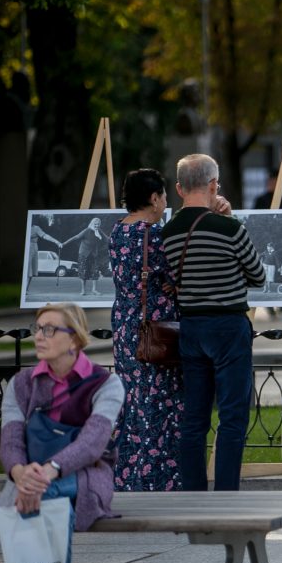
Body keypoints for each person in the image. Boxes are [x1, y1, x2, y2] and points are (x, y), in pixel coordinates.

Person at [162, 153, 265, 492]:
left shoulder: (169, 232)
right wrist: (230, 217)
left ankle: (193, 494)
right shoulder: (230, 228)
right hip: (228, 327)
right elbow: (258, 276)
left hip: (191, 328)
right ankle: (225, 494)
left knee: (195, 418)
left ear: (178, 188)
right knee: (232, 417)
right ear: (213, 185)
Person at [0, 303, 125, 563]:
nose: (39, 336)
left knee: (45, 491)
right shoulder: (21, 384)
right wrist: (20, 472)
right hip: (32, 477)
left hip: (85, 476)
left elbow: (92, 444)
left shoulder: (105, 384)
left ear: (75, 339)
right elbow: (10, 441)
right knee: (54, 505)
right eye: (38, 328)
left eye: (50, 329)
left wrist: (48, 472)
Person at [109, 168, 183, 491]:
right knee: (160, 405)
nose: (166, 203)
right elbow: (176, 277)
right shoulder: (153, 235)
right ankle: (158, 481)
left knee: (132, 403)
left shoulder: (116, 232)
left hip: (125, 326)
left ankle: (125, 477)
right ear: (154, 198)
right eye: (164, 196)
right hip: (154, 332)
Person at [63, 217, 109, 295]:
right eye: (95, 224)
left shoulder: (99, 232)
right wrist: (64, 244)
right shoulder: (87, 231)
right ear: (92, 223)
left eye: (98, 224)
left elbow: (107, 239)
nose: (97, 226)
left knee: (95, 271)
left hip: (94, 254)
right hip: (84, 254)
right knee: (83, 272)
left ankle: (94, 290)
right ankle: (83, 290)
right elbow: (76, 237)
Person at [27, 217, 63, 291]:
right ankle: (24, 289)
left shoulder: (36, 228)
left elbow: (45, 236)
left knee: (30, 272)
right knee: (27, 270)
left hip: (33, 247)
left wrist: (57, 242)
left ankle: (26, 289)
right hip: (28, 247)